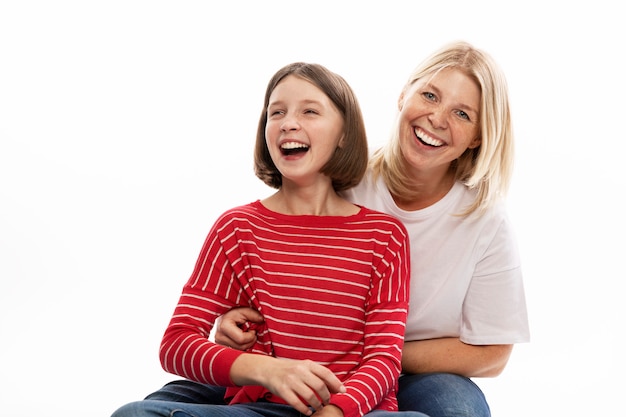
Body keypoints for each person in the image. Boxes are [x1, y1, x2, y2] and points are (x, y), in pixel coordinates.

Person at [122, 40, 530, 417]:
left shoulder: (466, 224)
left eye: (462, 113)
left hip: (386, 377)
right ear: (403, 94)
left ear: (479, 135)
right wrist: (241, 332)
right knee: (148, 409)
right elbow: (271, 251)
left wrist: (363, 354)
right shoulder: (330, 180)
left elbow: (491, 354)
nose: (437, 118)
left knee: (455, 405)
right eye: (429, 95)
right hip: (273, 373)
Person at [111, 62, 426, 417]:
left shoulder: (384, 235)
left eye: (310, 111)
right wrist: (267, 371)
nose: (289, 122)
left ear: (344, 134)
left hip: (357, 412)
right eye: (277, 112)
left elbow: (383, 360)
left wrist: (335, 411)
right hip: (264, 410)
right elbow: (177, 344)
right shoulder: (237, 228)